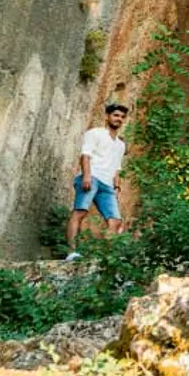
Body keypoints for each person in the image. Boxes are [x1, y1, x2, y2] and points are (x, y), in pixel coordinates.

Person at [66, 102, 129, 259]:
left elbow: (116, 168)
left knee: (115, 221)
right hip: (92, 177)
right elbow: (85, 155)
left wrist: (116, 187)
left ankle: (106, 258)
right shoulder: (95, 133)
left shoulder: (121, 145)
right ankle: (71, 252)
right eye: (115, 115)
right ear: (107, 117)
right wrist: (87, 176)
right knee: (80, 212)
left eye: (122, 117)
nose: (119, 119)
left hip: (107, 185)